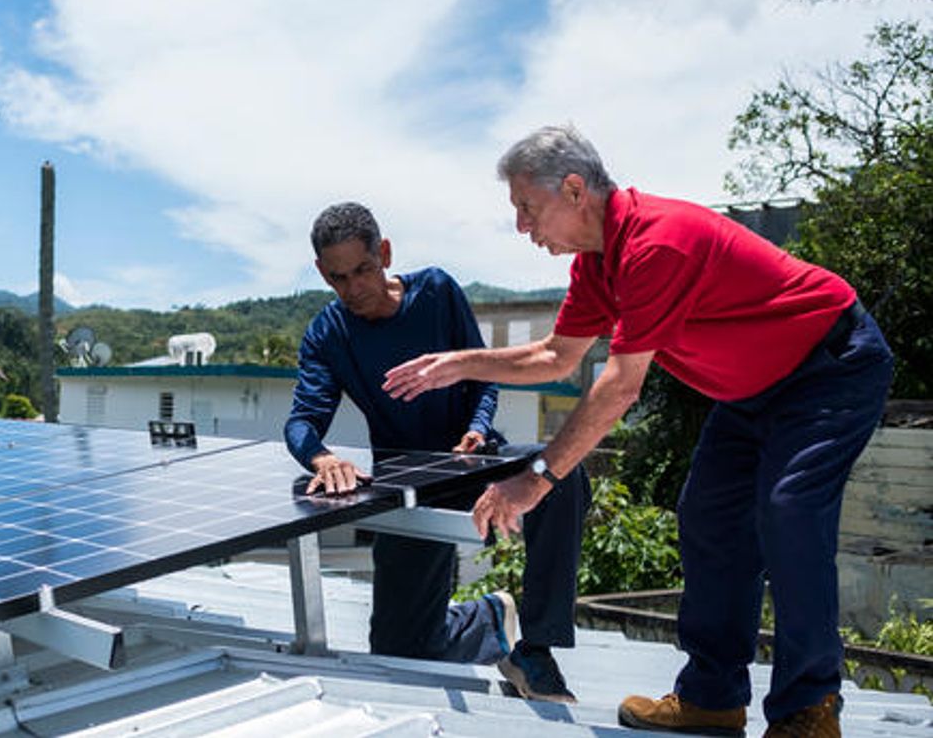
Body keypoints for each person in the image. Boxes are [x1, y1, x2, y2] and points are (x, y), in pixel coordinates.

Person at [383, 125, 893, 737]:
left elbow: (621, 386)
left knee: (788, 512)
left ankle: (809, 709)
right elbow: (557, 357)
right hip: (752, 392)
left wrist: (537, 478)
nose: (522, 226)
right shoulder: (597, 265)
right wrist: (461, 363)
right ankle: (712, 697)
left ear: (574, 190)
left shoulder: (657, 243)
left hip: (828, 366)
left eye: (527, 207)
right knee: (707, 515)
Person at [284, 202, 591, 703]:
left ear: (384, 253)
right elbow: (301, 423)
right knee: (398, 648)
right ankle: (489, 617)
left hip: (474, 463)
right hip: (408, 487)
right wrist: (322, 458)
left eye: (363, 269)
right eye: (339, 278)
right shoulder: (326, 335)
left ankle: (536, 650)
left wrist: (476, 427)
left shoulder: (437, 292)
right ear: (322, 273)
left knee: (559, 471)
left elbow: (483, 376)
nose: (355, 287)